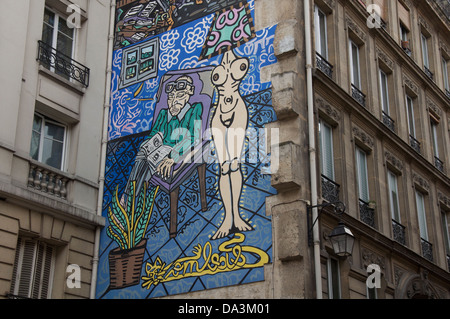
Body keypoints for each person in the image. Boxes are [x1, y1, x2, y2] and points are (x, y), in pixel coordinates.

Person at [122, 75, 202, 203]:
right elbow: (153, 133)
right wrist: (148, 145)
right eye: (171, 97)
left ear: (189, 94)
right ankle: (128, 198)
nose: (174, 101)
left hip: (173, 151)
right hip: (158, 150)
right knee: (141, 157)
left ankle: (131, 201)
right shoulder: (164, 113)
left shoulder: (195, 109)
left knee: (148, 167)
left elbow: (194, 136)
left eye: (180, 96)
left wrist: (173, 157)